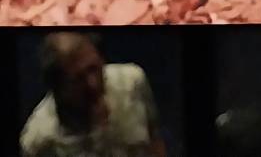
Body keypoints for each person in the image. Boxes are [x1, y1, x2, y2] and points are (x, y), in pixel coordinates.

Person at [20, 34, 166, 157]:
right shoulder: (38, 140)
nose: (93, 84)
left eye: (93, 68)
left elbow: (155, 139)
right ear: (57, 87)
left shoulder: (132, 81)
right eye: (78, 79)